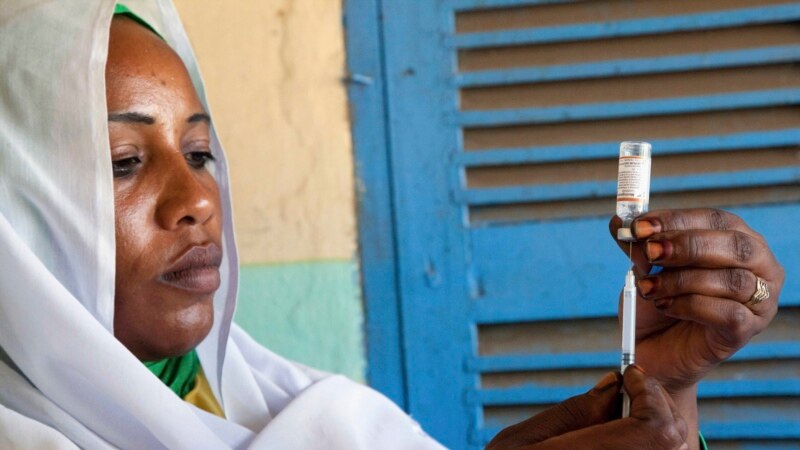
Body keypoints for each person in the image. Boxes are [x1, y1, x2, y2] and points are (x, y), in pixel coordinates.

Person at [0, 1, 783, 449]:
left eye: (201, 152)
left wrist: (665, 389)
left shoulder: (295, 413)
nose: (198, 200)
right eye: (122, 162)